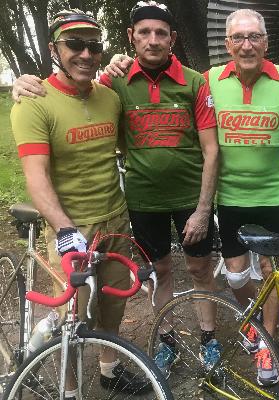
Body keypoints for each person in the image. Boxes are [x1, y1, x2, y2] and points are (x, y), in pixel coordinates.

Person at [11, 1, 221, 378]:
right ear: (131, 37)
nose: (85, 53)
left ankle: (184, 346)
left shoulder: (163, 86)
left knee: (158, 285)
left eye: (93, 46)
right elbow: (39, 167)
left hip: (148, 211)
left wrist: (204, 209)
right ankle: (86, 380)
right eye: (144, 33)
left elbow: (206, 147)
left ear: (172, 38)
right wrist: (21, 82)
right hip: (109, 214)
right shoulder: (89, 89)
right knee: (93, 304)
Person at [9, 9, 149, 397]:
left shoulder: (109, 97)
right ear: (54, 49)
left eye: (93, 46)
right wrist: (65, 229)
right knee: (72, 320)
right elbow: (36, 176)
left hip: (114, 221)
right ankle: (69, 390)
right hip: (72, 228)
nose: (86, 54)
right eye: (74, 44)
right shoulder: (33, 102)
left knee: (113, 306)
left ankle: (109, 369)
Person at [202, 8, 279, 386]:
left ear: (266, 42)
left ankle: (266, 341)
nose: (247, 45)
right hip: (230, 196)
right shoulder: (210, 80)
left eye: (255, 37)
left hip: (273, 195)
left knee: (270, 273)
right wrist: (113, 69)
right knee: (235, 277)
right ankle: (254, 317)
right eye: (239, 38)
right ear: (228, 44)